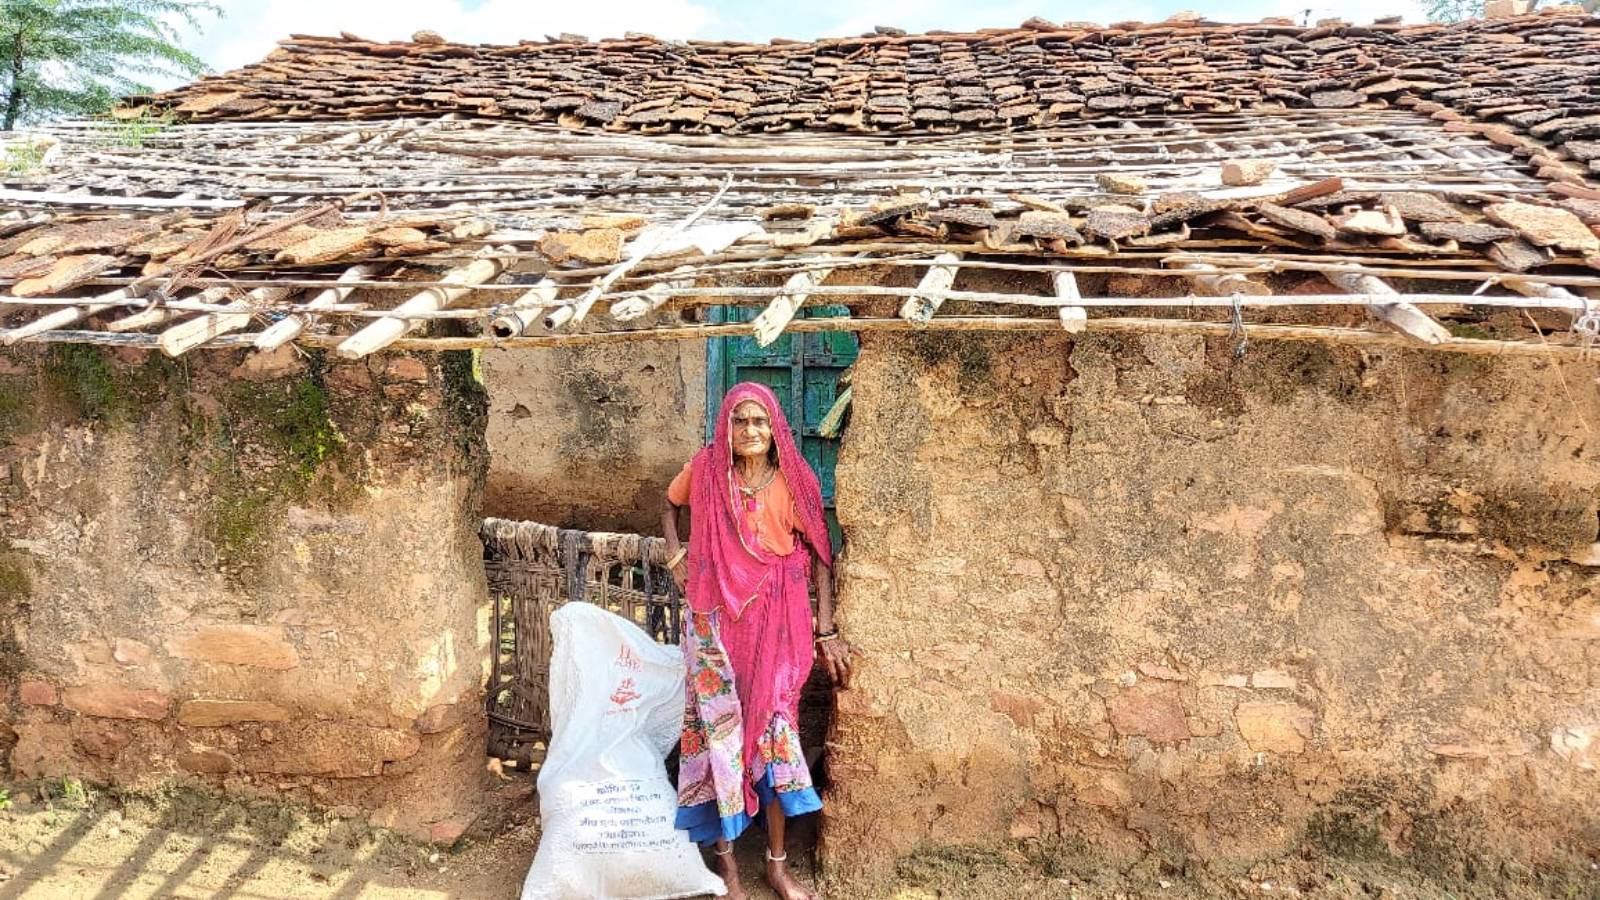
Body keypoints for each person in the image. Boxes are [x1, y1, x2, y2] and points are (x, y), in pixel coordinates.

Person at [661, 382, 853, 900]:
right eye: (740, 421)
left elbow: (819, 557)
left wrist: (826, 628)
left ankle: (776, 865)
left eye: (760, 422)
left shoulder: (794, 479)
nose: (750, 431)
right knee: (719, 734)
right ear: (727, 426)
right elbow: (667, 505)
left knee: (774, 730)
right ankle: (727, 867)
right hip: (716, 623)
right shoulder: (704, 472)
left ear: (775, 431)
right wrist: (677, 556)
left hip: (778, 620)